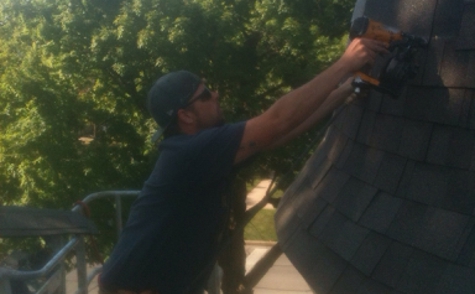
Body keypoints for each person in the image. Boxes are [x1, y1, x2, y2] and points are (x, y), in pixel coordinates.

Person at [99, 37, 387, 294]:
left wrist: (342, 93)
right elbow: (276, 120)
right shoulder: (192, 152)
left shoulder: (202, 150)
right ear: (185, 115)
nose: (216, 95)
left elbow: (277, 135)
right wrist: (345, 63)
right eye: (206, 94)